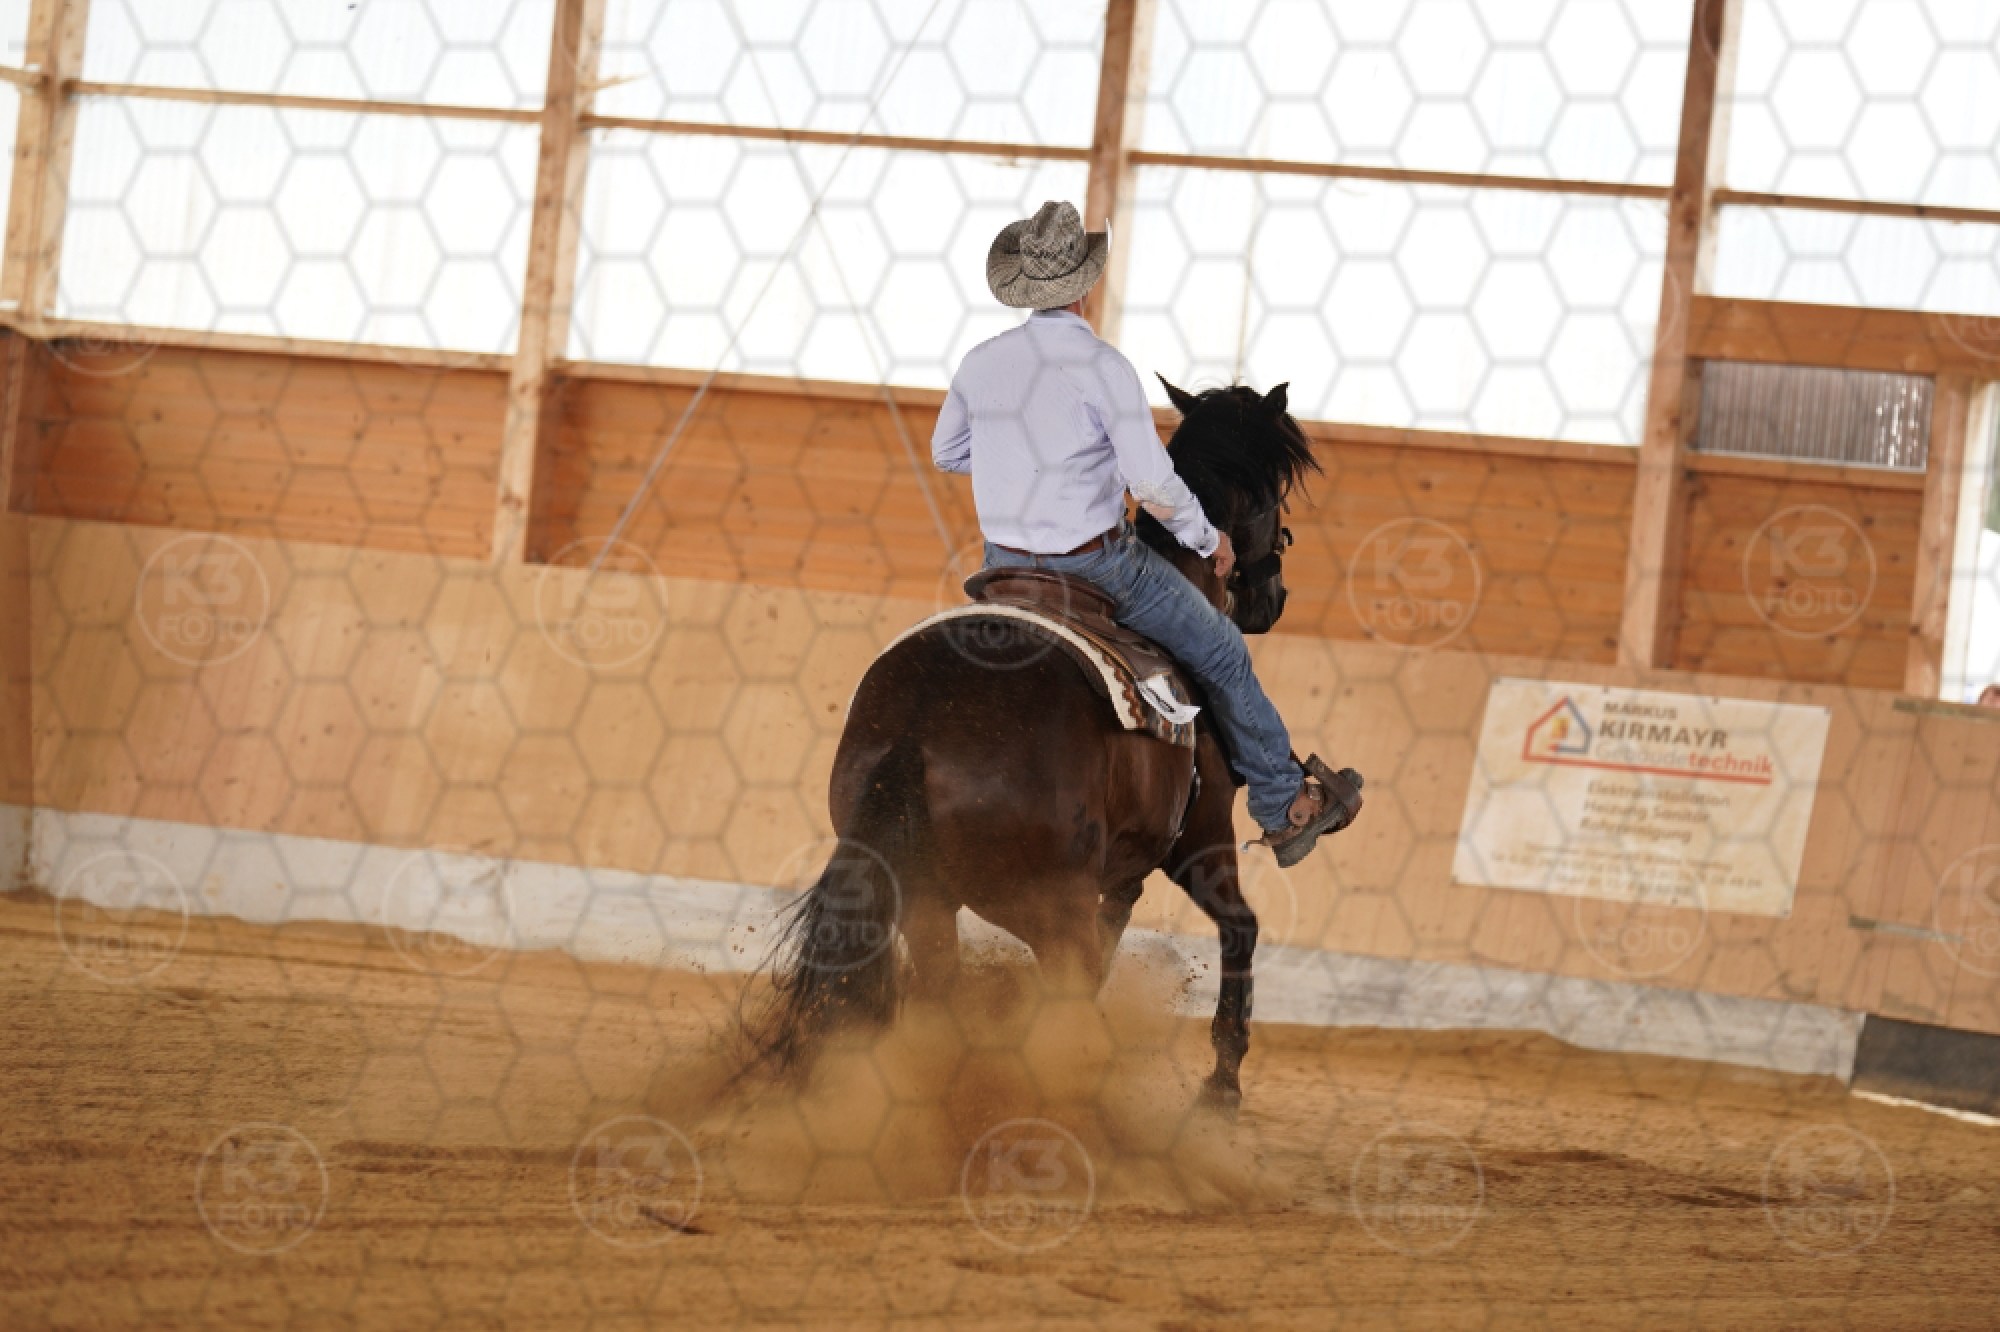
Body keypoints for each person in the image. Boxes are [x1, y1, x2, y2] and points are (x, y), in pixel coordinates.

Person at [930, 200, 1349, 868]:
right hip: (1097, 568)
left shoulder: (981, 363)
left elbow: (947, 453)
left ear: (1025, 286)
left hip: (1002, 565)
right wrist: (1209, 541)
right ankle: (1282, 802)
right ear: (1087, 285)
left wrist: (1024, 454)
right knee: (1222, 653)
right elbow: (1152, 484)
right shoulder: (1103, 367)